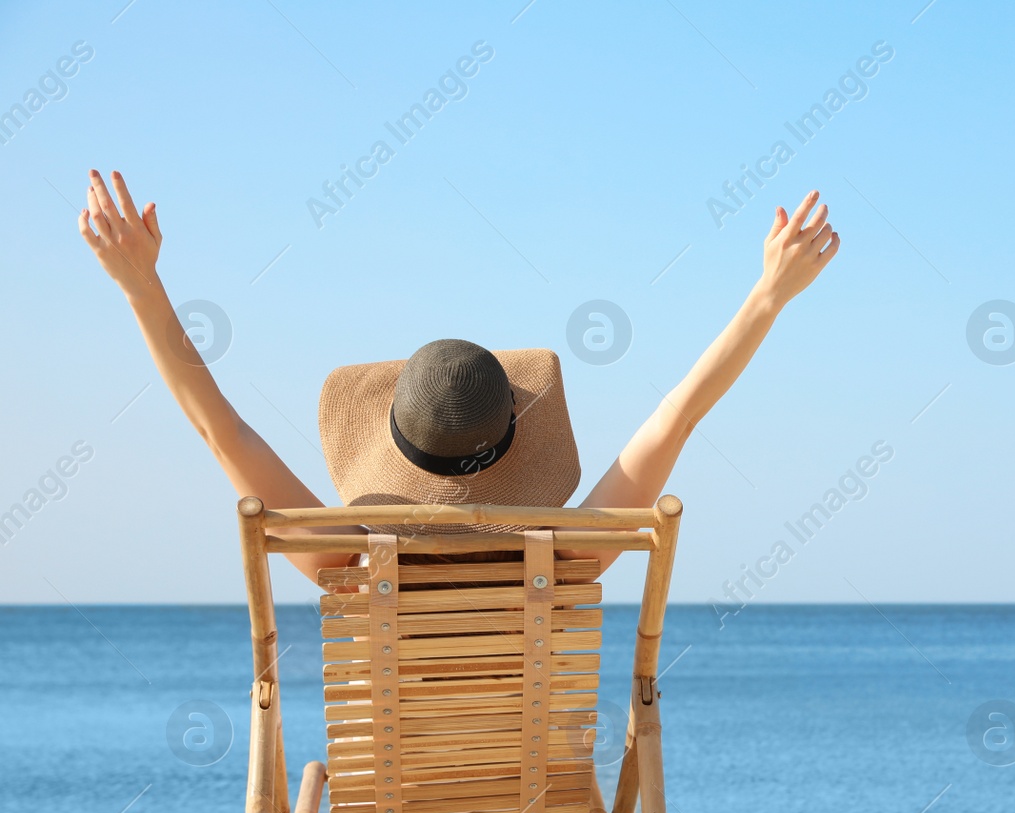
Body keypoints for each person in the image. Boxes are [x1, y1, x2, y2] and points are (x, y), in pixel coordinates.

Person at [77, 169, 841, 580]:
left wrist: (142, 287)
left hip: (392, 792)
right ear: (514, 438)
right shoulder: (570, 554)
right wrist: (768, 296)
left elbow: (221, 431)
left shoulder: (346, 560)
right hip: (531, 787)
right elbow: (679, 413)